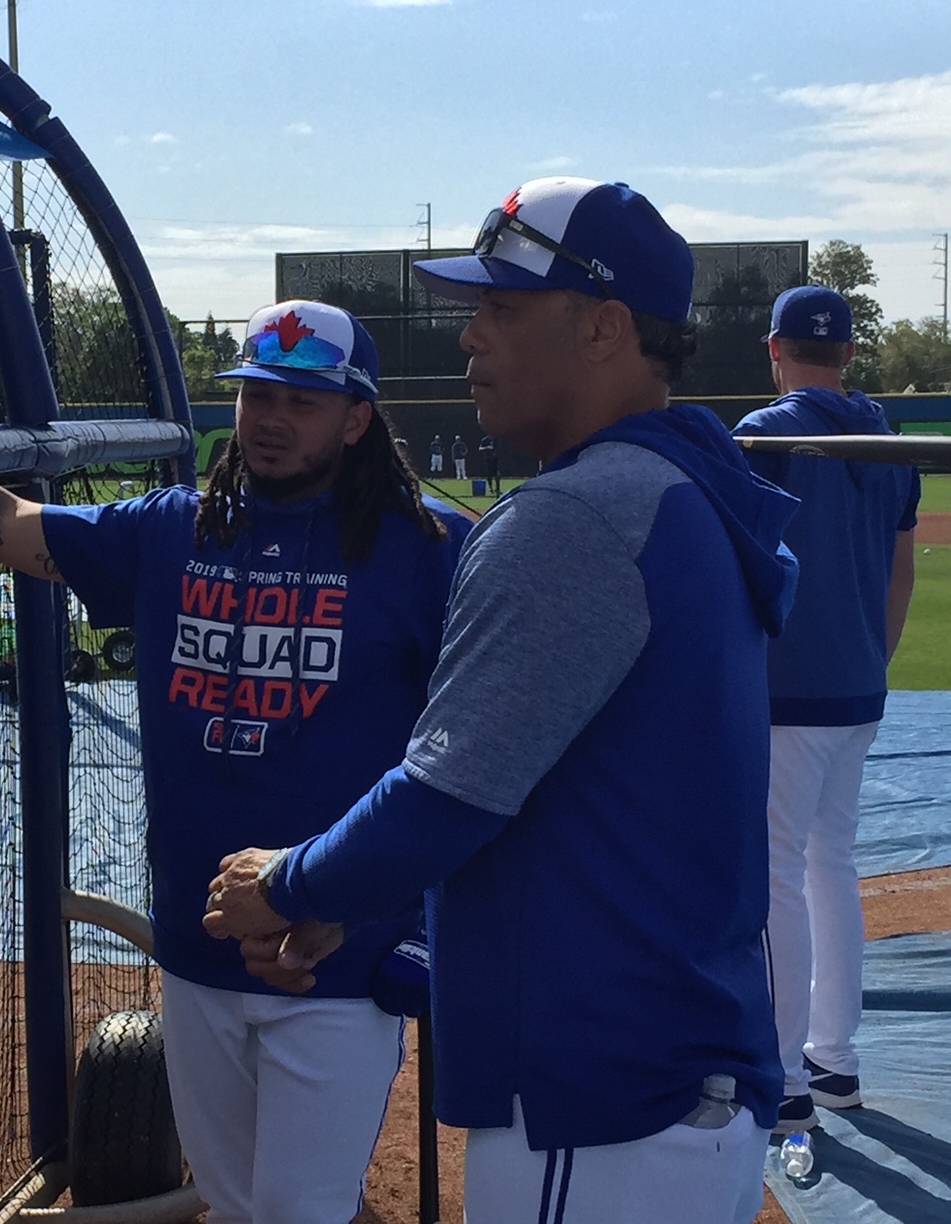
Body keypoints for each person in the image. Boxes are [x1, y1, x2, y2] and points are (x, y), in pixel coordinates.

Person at [0, 299, 471, 1224]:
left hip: (331, 957)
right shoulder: (174, 528)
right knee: (233, 1205)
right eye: (257, 392)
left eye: (302, 401)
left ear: (356, 420)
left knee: (302, 1212)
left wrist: (405, 920)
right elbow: (1, 523)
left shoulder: (429, 549)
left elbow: (472, 759)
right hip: (197, 944)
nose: (269, 418)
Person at [204, 178, 799, 1224]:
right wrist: (355, 907)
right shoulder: (677, 489)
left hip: (602, 1099)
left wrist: (290, 883)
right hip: (667, 1080)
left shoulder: (575, 515)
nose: (471, 337)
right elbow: (545, 797)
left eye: (503, 310)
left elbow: (449, 798)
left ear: (607, 327)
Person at [732, 285, 919, 1135]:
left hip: (784, 693)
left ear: (775, 349)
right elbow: (900, 572)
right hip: (857, 689)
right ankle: (834, 1063)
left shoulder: (766, 435)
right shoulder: (887, 437)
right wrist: (871, 666)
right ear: (848, 353)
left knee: (775, 875)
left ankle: (782, 1079)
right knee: (828, 868)